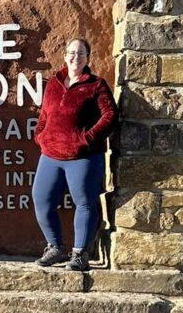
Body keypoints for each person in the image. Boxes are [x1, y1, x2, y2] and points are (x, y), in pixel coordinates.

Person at [31, 37, 118, 272]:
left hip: (83, 157)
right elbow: (44, 115)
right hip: (50, 154)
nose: (75, 57)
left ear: (87, 58)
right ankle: (55, 248)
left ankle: (80, 254)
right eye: (71, 52)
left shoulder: (96, 85)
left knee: (84, 203)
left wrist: (87, 139)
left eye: (80, 53)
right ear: (64, 55)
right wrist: (41, 134)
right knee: (41, 199)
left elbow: (110, 116)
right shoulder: (54, 83)